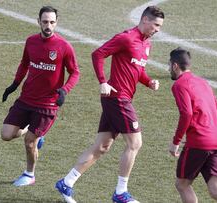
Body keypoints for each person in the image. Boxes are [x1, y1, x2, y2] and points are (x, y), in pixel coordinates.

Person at [54, 6, 164, 203]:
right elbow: (98, 54)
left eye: (160, 26)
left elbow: (137, 70)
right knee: (135, 143)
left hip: (122, 98)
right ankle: (121, 193)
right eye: (156, 25)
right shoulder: (126, 37)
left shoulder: (146, 44)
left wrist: (149, 82)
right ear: (145, 19)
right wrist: (103, 81)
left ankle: (67, 182)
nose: (157, 29)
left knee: (102, 146)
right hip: (117, 97)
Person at [1, 6, 80, 187]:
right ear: (38, 21)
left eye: (52, 22)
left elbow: (75, 72)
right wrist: (14, 85)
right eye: (45, 22)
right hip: (26, 98)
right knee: (6, 135)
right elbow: (24, 64)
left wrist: (65, 90)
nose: (48, 26)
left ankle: (29, 174)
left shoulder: (64, 46)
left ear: (56, 23)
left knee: (30, 142)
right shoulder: (31, 41)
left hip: (47, 104)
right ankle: (33, 129)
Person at [168, 47, 217, 203]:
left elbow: (186, 114)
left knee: (182, 184)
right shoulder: (203, 82)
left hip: (199, 143)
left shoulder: (179, 85)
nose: (169, 69)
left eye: (169, 65)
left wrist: (176, 142)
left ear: (175, 65)